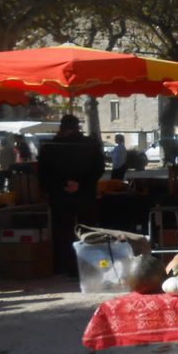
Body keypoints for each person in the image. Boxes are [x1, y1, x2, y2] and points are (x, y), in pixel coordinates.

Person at [37, 114, 104, 277]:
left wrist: (63, 184)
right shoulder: (91, 145)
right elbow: (98, 169)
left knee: (63, 232)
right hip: (85, 195)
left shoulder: (49, 147)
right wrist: (80, 184)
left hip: (60, 196)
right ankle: (88, 267)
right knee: (88, 231)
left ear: (61, 128)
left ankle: (66, 268)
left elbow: (43, 173)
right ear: (78, 127)